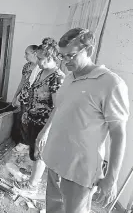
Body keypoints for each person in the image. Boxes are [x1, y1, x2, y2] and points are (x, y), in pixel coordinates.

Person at [38, 28, 130, 213]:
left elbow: (118, 134)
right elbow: (60, 108)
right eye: (62, 56)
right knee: (53, 208)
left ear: (89, 50)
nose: (65, 62)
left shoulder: (110, 84)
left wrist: (111, 178)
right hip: (56, 159)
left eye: (71, 56)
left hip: (79, 170)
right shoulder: (69, 78)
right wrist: (44, 131)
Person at [15, 38, 65, 193]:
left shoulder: (57, 77)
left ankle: (32, 185)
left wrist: (46, 131)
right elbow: (32, 93)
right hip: (33, 119)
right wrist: (26, 113)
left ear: (51, 58)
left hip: (45, 123)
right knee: (34, 150)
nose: (37, 60)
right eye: (37, 57)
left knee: (40, 155)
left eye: (41, 58)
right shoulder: (42, 71)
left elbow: (58, 107)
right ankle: (32, 176)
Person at [12, 45, 40, 146]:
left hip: (35, 103)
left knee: (32, 125)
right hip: (24, 100)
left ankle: (29, 146)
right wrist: (15, 96)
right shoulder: (27, 66)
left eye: (27, 53)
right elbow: (22, 82)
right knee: (22, 122)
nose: (25, 56)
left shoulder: (41, 67)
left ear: (35, 53)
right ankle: (23, 144)